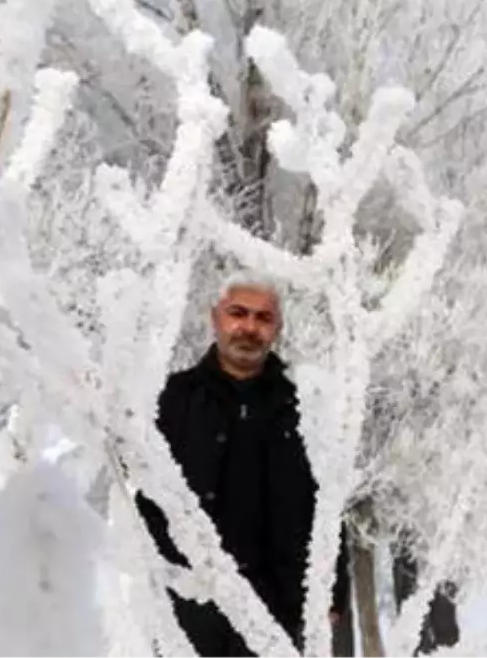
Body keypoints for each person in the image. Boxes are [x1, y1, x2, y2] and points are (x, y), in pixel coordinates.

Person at [135, 272, 350, 655]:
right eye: (238, 313)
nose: (249, 327)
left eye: (263, 318)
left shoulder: (305, 407)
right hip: (188, 603)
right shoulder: (170, 400)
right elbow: (144, 495)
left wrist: (330, 592)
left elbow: (330, 505)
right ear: (215, 317)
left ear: (277, 328)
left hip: (276, 607)